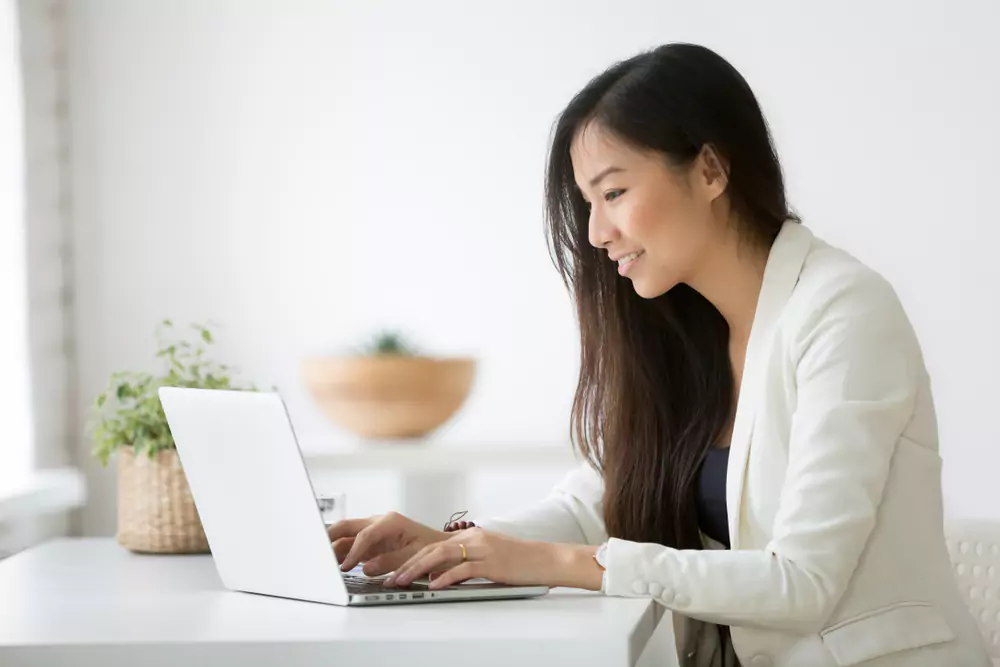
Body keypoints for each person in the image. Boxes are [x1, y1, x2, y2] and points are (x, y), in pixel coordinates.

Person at [326, 43, 988, 667]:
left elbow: (803, 579)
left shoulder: (844, 312)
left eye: (613, 193)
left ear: (710, 169)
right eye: (588, 203)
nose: (594, 232)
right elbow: (592, 502)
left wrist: (561, 563)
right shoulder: (681, 333)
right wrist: (454, 546)